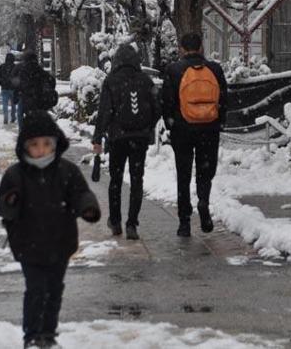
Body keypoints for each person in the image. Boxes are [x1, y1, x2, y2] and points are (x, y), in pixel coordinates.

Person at [0, 111, 101, 348]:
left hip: (59, 243)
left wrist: (87, 207)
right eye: (34, 145)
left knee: (53, 290)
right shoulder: (16, 174)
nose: (41, 150)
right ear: (25, 146)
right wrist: (10, 202)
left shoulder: (67, 171)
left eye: (46, 144)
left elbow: (80, 193)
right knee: (36, 289)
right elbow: (2, 206)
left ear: (55, 143)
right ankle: (33, 335)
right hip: (27, 244)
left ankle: (48, 334)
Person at [161, 33, 227, 237]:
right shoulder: (214, 69)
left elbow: (166, 101)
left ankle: (184, 221)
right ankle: (203, 200)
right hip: (209, 128)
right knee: (205, 171)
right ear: (201, 48)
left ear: (181, 49)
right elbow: (224, 97)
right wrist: (219, 121)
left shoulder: (174, 70)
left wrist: (170, 123)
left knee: (183, 174)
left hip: (183, 129)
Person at [91, 44, 160, 240]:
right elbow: (157, 107)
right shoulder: (145, 80)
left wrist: (98, 137)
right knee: (137, 180)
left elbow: (104, 111)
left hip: (118, 138)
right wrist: (147, 127)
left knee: (116, 179)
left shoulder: (111, 80)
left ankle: (115, 221)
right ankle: (132, 223)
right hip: (139, 138)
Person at [12, 51, 57, 127]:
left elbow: (18, 86)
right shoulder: (40, 70)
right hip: (38, 99)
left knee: (20, 115)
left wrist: (15, 97)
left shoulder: (23, 71)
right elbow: (51, 81)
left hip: (26, 99)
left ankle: (22, 130)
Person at [0, 53, 18, 124]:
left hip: (4, 88)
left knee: (5, 104)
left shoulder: (1, 66)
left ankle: (5, 117)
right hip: (13, 88)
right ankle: (13, 117)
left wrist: (1, 83)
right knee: (13, 104)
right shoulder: (15, 67)